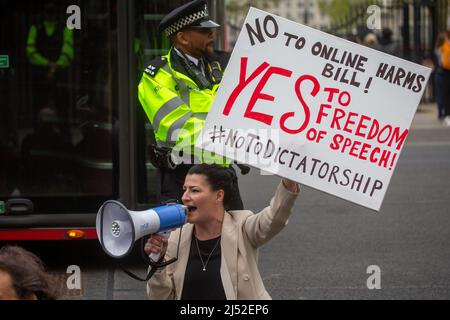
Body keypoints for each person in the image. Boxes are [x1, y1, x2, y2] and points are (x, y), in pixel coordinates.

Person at [138, 0, 244, 209]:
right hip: (182, 178)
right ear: (182, 37)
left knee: (237, 239)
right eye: (204, 31)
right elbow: (178, 127)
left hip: (222, 174)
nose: (211, 35)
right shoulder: (157, 75)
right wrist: (235, 138)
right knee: (182, 241)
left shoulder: (221, 67)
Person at [144, 164, 300, 300]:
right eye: (184, 190)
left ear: (218, 195)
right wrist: (158, 261)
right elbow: (159, 296)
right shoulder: (176, 236)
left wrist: (289, 182)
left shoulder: (242, 225)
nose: (184, 197)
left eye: (194, 190)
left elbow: (275, 218)